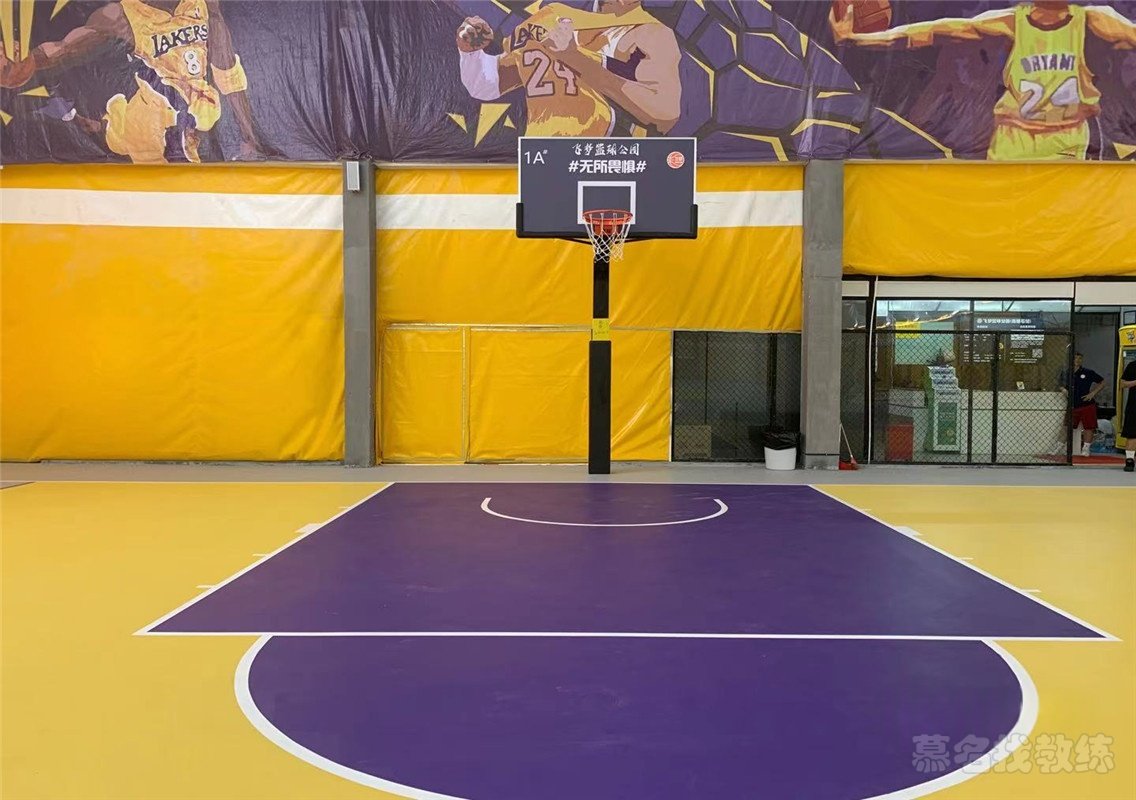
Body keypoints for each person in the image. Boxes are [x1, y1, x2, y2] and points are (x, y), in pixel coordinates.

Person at [830, 2, 1136, 160]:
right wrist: (857, 39)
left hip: (1068, 145)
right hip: (1013, 146)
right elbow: (935, 31)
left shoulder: (1093, 21)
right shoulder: (1011, 22)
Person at [0, 0, 265, 163]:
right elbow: (65, 48)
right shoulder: (121, 15)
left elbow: (227, 70)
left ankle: (90, 122)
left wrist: (249, 137)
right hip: (152, 123)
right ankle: (86, 122)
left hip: (192, 113)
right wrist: (31, 61)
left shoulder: (204, 4)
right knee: (125, 133)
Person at [456, 0, 681, 136]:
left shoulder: (651, 33)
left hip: (605, 157)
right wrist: (471, 52)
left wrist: (575, 57)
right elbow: (488, 85)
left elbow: (664, 114)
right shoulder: (550, 17)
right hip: (544, 157)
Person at [1061, 352, 1105, 456]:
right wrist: (1063, 390)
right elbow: (1060, 384)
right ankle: (1060, 446)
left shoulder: (1088, 372)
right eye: (1075, 358)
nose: (1077, 360)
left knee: (1089, 427)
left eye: (1080, 358)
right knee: (1067, 426)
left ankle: (1086, 448)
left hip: (1087, 404)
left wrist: (1092, 393)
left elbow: (1102, 382)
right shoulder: (1065, 373)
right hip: (1073, 404)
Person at [1120, 358, 1136, 472]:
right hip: (1134, 405)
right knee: (1132, 433)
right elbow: (1122, 383)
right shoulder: (1133, 365)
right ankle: (1129, 460)